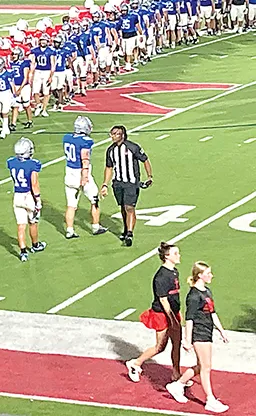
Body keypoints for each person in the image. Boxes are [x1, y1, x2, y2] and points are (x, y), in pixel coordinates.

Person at [166, 261, 229, 413]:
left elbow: (212, 313)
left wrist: (221, 330)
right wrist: (187, 340)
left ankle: (177, 385)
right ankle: (210, 400)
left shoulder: (206, 291)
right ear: (200, 275)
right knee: (206, 368)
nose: (211, 275)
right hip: (199, 334)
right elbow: (189, 319)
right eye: (208, 273)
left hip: (207, 332)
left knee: (201, 366)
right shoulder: (193, 296)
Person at [126, 242, 182, 384]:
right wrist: (172, 319)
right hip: (163, 315)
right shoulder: (161, 277)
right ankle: (136, 363)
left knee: (177, 344)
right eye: (175, 253)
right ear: (167, 256)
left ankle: (176, 374)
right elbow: (163, 300)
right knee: (160, 346)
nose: (179, 255)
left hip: (173, 312)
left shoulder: (174, 271)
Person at [100, 125, 152, 247]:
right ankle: (125, 229)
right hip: (118, 183)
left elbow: (144, 160)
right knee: (123, 207)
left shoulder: (132, 147)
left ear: (122, 135)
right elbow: (109, 167)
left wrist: (149, 176)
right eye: (111, 134)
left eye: (115, 134)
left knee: (129, 207)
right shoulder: (111, 150)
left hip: (131, 183)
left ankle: (129, 233)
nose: (112, 136)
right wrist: (104, 185)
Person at [63, 116, 107, 239]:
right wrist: (85, 176)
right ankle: (95, 226)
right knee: (95, 200)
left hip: (69, 173)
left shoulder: (67, 138)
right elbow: (85, 160)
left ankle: (69, 230)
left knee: (71, 205)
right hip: (80, 173)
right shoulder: (85, 141)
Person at [7, 137, 47, 262]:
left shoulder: (11, 162)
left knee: (20, 225)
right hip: (28, 196)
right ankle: (35, 245)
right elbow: (34, 183)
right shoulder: (33, 164)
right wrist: (38, 200)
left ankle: (23, 251)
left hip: (17, 195)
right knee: (33, 222)